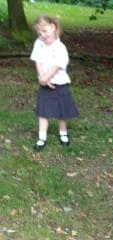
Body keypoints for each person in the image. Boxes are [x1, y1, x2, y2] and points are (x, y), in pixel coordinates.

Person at [30, 15, 79, 150]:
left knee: (61, 111)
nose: (42, 35)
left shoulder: (60, 47)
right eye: (39, 33)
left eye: (44, 31)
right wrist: (42, 78)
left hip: (59, 83)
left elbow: (57, 65)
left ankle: (63, 133)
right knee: (43, 112)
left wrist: (46, 78)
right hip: (44, 84)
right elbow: (38, 61)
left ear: (53, 27)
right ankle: (42, 137)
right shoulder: (38, 43)